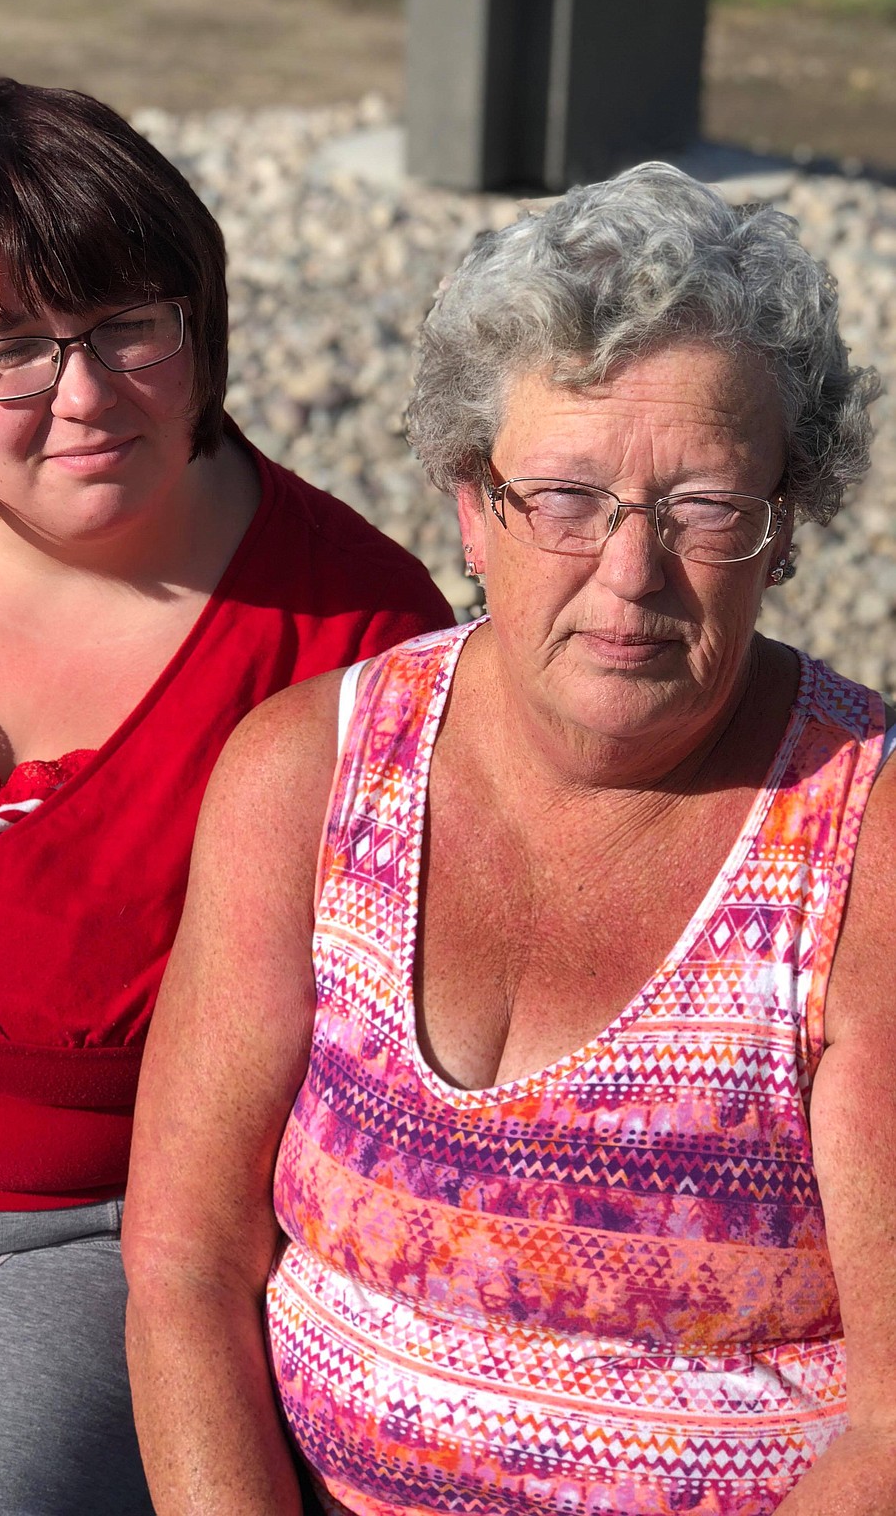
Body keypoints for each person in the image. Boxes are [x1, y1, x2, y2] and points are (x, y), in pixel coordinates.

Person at [0, 77, 453, 1515]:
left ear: (201, 314)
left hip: (15, 1243)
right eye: (9, 348)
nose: (83, 395)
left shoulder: (354, 637)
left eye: (127, 323)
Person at [123, 162, 896, 1515]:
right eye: (566, 498)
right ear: (473, 507)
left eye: (702, 505)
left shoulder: (864, 842)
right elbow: (185, 1267)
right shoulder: (306, 775)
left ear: (782, 533)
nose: (630, 568)